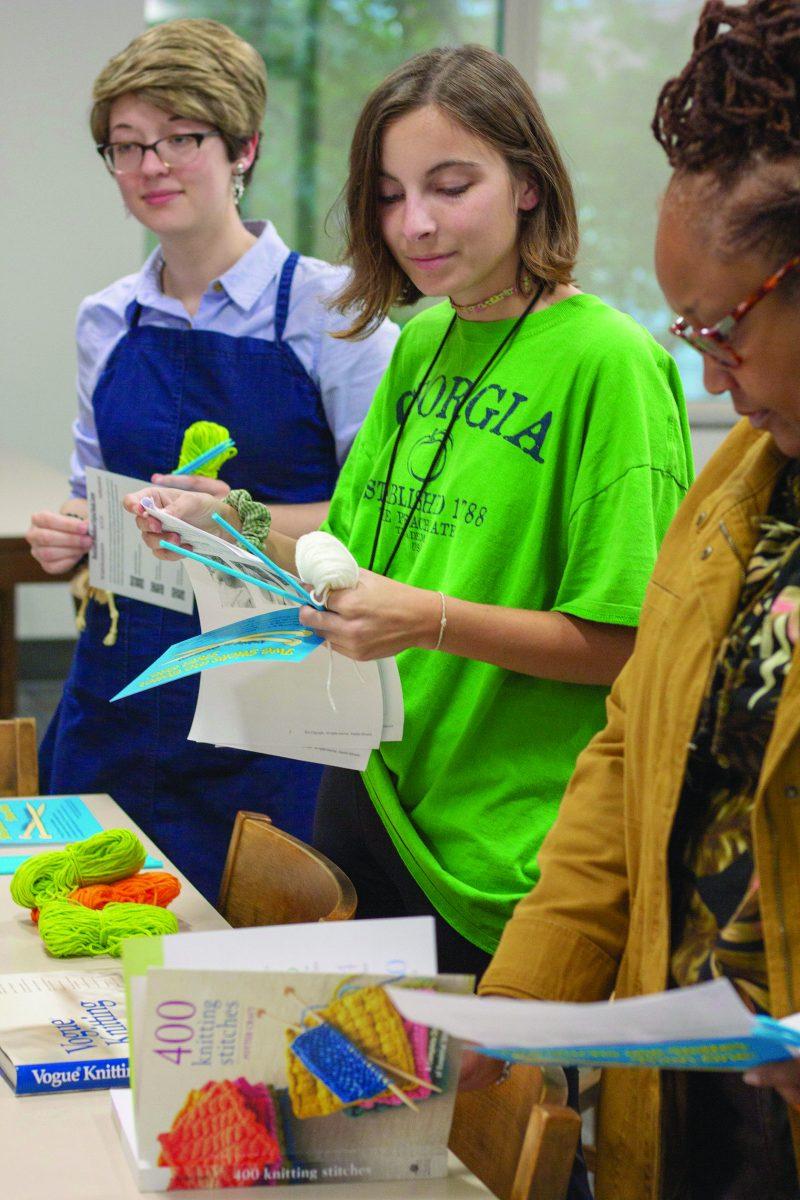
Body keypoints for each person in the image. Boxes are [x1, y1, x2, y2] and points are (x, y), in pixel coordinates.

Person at [127, 41, 692, 975]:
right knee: (361, 1105)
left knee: (478, 1121)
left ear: (528, 183)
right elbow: (352, 541)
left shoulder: (611, 364)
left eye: (450, 184)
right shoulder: (425, 338)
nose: (415, 224)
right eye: (389, 194)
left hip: (504, 846)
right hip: (377, 787)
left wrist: (427, 621)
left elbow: (630, 645)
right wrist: (233, 518)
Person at [475, 2, 800, 1197]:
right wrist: (516, 1013)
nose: (709, 374)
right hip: (698, 1102)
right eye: (687, 332)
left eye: (723, 328)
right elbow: (631, 755)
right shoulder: (737, 489)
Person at [24, 18, 398, 902]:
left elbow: (385, 522)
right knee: (86, 949)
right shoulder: (105, 319)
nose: (151, 167)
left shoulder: (336, 312)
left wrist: (242, 519)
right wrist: (70, 534)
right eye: (125, 146)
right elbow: (94, 498)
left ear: (244, 148)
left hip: (279, 711)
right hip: (120, 693)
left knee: (253, 984)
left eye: (180, 138)